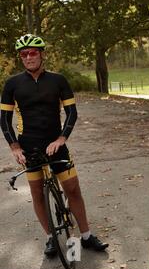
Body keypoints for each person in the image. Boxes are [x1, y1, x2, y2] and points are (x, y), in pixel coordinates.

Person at [0, 34, 108, 257]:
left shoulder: (58, 80)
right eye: (24, 54)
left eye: (33, 53)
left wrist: (61, 139)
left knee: (73, 189)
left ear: (42, 55)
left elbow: (71, 112)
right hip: (29, 147)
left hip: (56, 145)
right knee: (37, 192)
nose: (28, 57)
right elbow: (4, 119)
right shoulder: (12, 84)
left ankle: (86, 236)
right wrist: (14, 147)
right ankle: (51, 237)